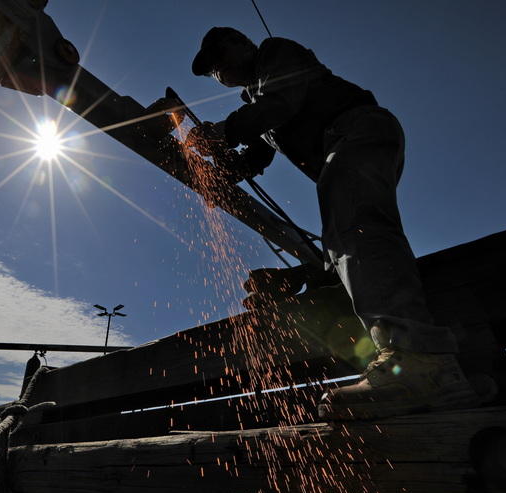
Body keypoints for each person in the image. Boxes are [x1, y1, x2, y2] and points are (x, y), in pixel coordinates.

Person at [187, 27, 479, 420]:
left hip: (354, 127)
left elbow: (279, 105)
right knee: (345, 236)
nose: (219, 68)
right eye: (212, 71)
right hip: (345, 141)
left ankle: (420, 360)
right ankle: (427, 369)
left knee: (355, 228)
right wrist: (223, 173)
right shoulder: (255, 99)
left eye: (220, 54)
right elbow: (255, 154)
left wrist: (219, 133)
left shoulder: (275, 55)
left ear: (243, 42)